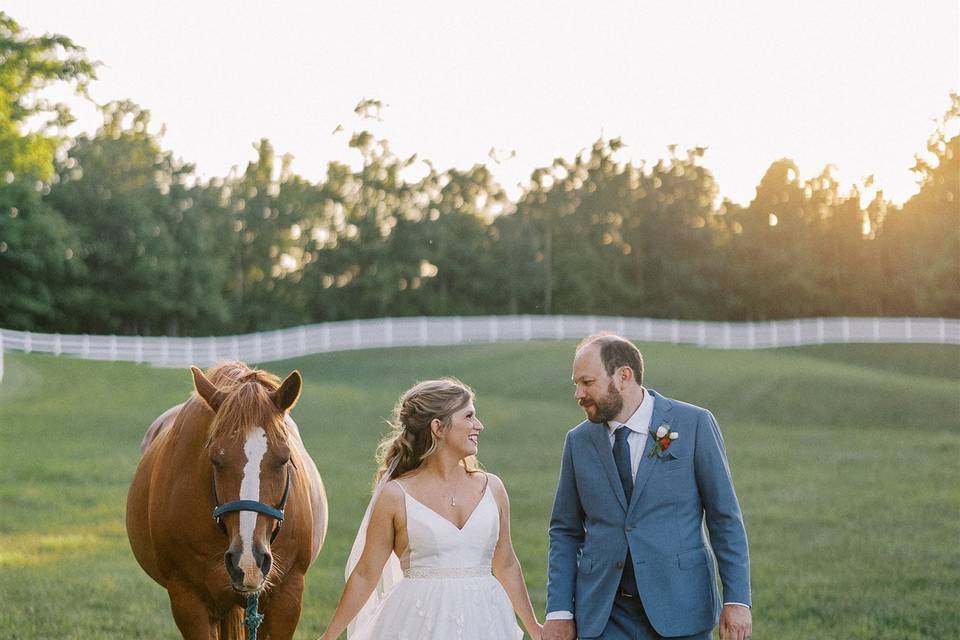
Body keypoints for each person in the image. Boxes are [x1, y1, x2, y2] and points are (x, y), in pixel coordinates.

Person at [543, 334, 752, 640]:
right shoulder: (578, 441)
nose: (578, 393)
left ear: (624, 376)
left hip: (681, 606)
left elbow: (724, 518)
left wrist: (737, 600)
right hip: (604, 614)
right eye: (576, 383)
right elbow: (565, 530)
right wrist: (560, 610)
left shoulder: (693, 424)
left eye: (587, 382)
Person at [320, 378, 542, 640]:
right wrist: (328, 637)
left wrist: (535, 630)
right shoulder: (395, 496)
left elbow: (506, 563)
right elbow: (365, 574)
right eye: (469, 416)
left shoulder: (493, 489)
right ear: (438, 427)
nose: (478, 425)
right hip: (418, 623)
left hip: (486, 621)